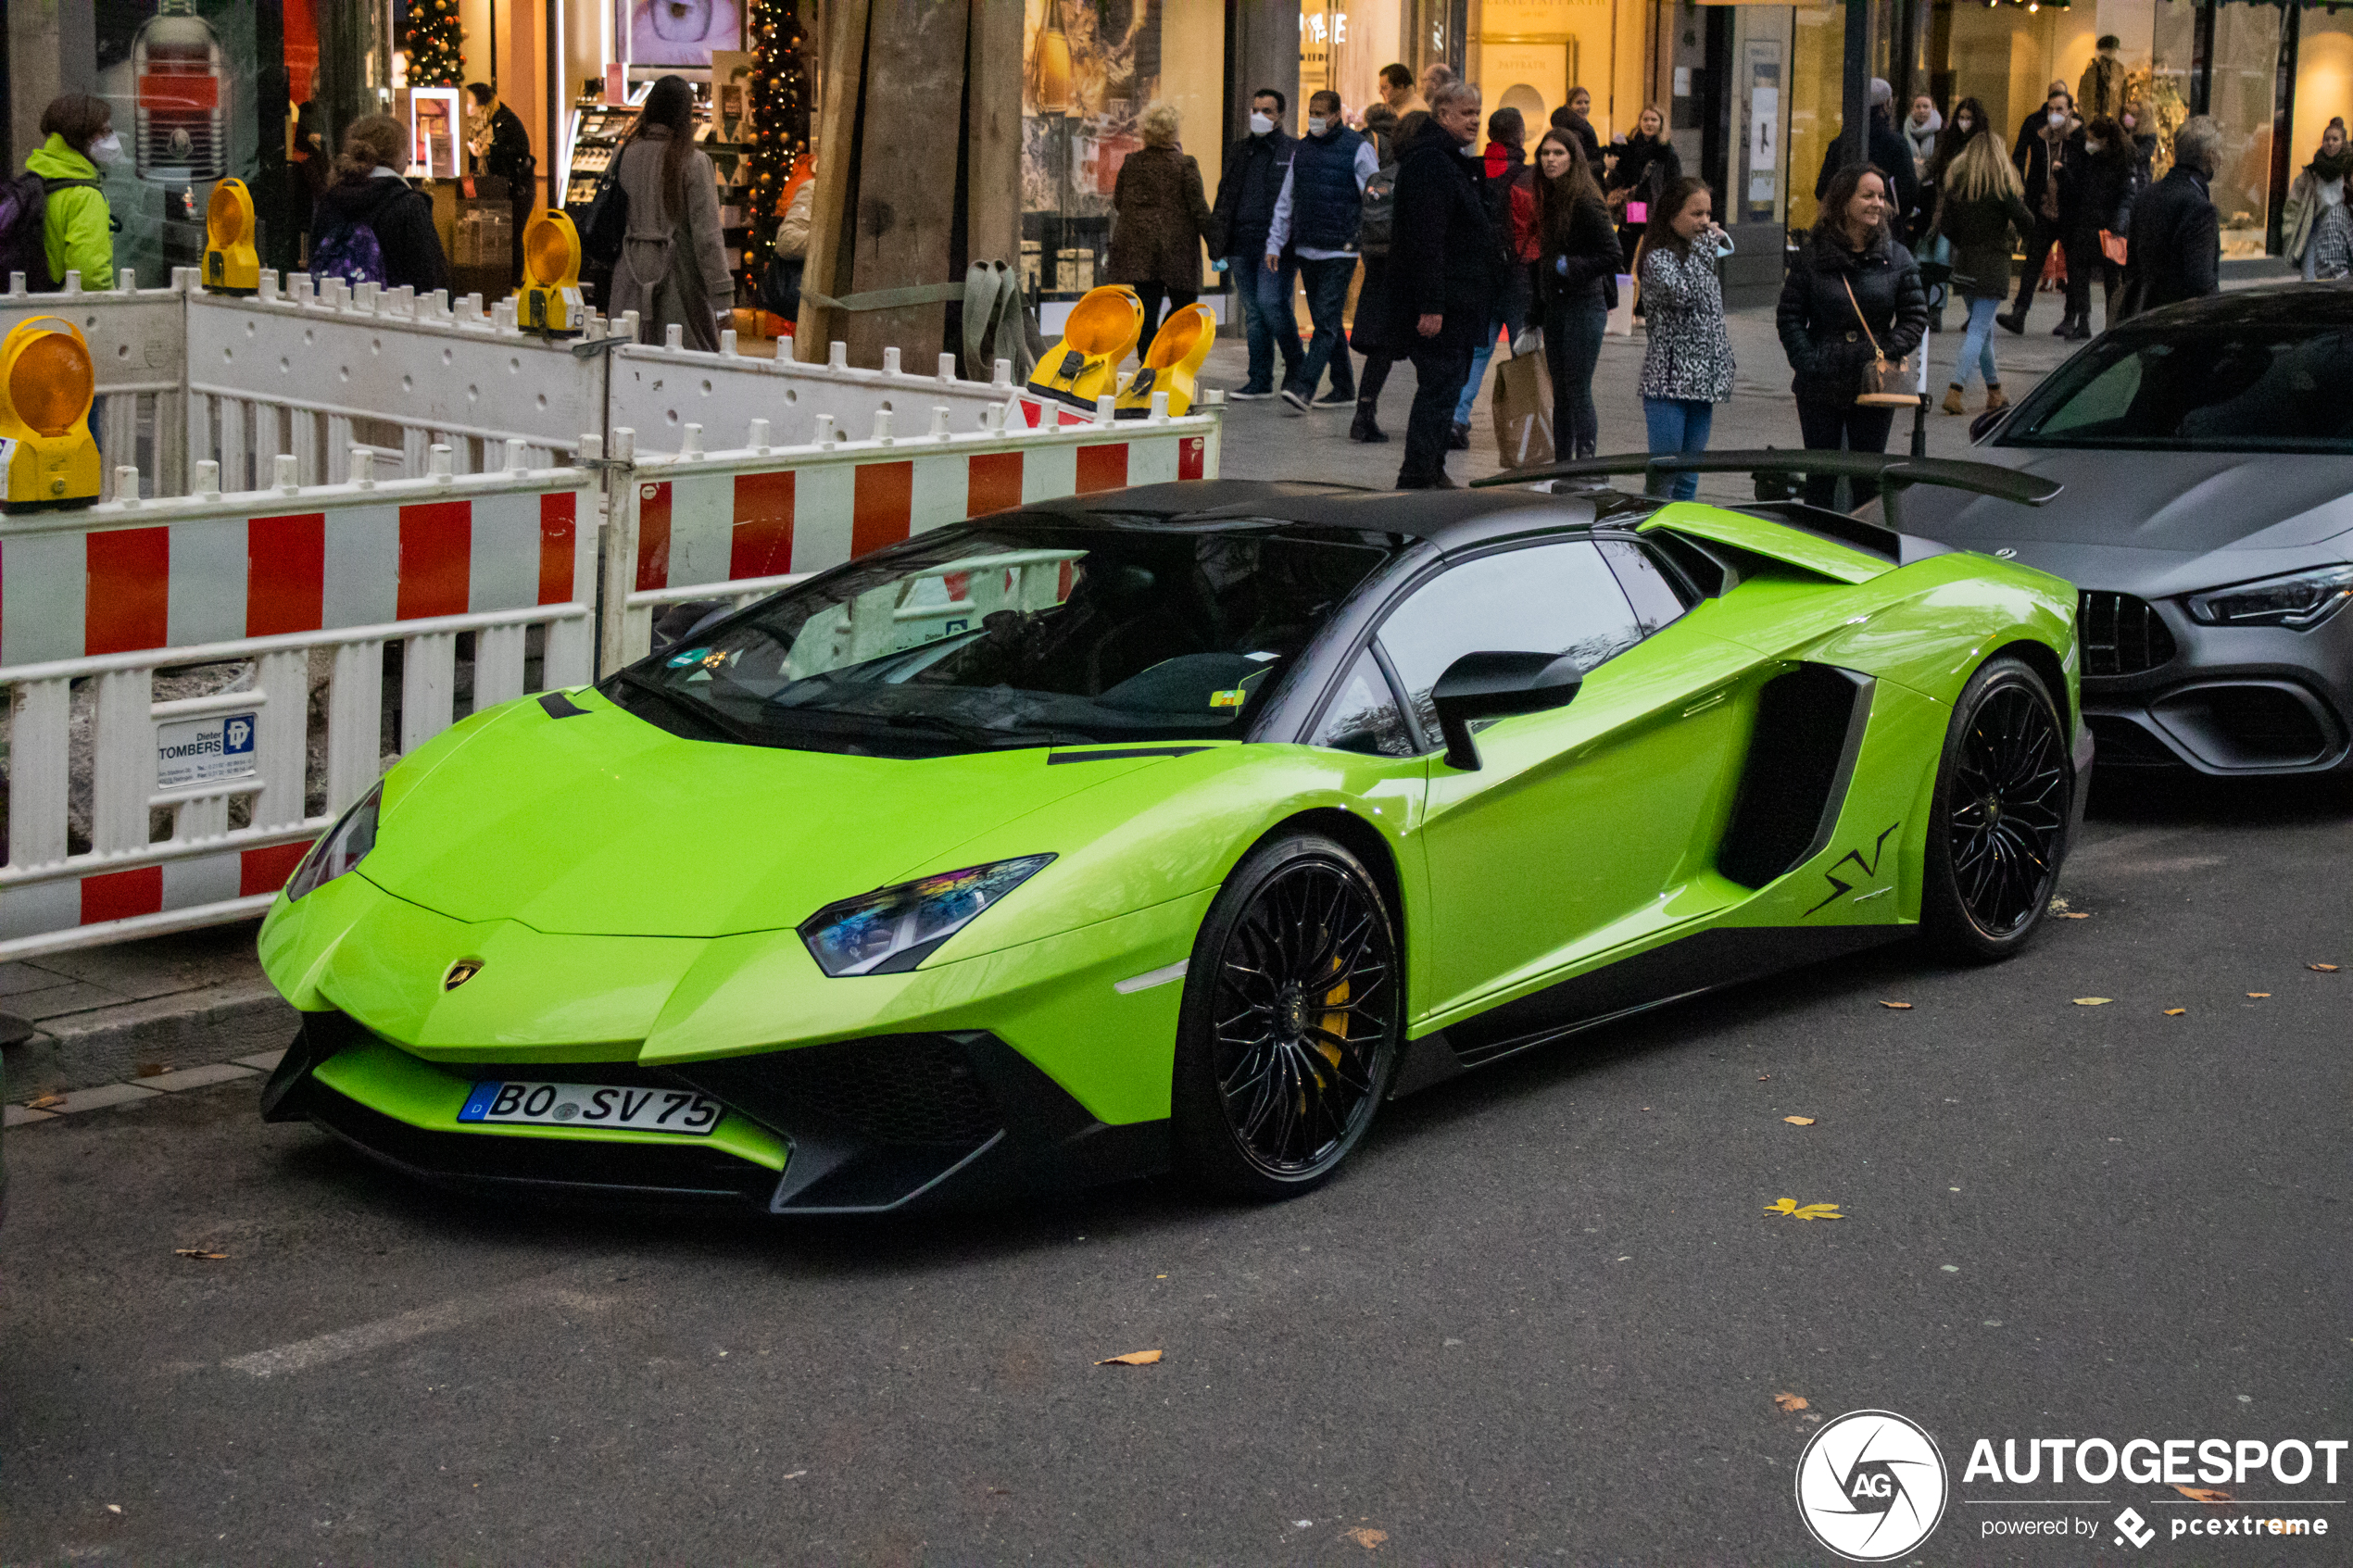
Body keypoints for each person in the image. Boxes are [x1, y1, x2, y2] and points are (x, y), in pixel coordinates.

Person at [1777, 164, 1927, 510]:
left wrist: (1883, 351)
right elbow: (1790, 317)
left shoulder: (1897, 257)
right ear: (1844, 202)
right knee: (1821, 478)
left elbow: (1915, 317)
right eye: (1868, 195)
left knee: (1868, 479)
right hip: (1820, 382)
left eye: (1881, 196)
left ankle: (1867, 550)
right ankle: (1815, 548)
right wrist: (1808, 360)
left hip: (1874, 381)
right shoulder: (1812, 256)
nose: (1877, 203)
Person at [1389, 82, 1494, 489]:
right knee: (1438, 388)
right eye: (1466, 112)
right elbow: (1425, 239)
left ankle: (1431, 468)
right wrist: (1431, 304)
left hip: (1459, 301)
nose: (1475, 119)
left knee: (1447, 388)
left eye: (1477, 111)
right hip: (1444, 304)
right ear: (1443, 114)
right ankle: (1417, 473)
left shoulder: (1450, 160)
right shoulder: (1432, 163)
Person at [1265, 90, 1377, 410]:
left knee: (1325, 322)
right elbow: (1286, 201)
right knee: (1325, 319)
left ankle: (1304, 386)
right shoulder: (1303, 150)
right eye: (1311, 111)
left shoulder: (1358, 149)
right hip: (1308, 247)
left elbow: (1373, 195)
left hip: (1341, 249)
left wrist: (1366, 238)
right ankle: (1343, 386)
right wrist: (1275, 242)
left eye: (1320, 112)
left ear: (1335, 115)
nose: (1314, 118)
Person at [609, 74, 734, 350]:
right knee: (682, 366)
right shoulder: (694, 162)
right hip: (678, 282)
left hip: (627, 277)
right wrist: (723, 301)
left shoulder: (623, 155)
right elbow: (708, 239)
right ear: (684, 115)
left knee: (627, 358)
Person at [1636, 178, 1735, 501]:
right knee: (1665, 473)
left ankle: (1681, 531)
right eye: (1696, 214)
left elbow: (1729, 249)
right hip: (1668, 382)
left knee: (1690, 474)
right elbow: (1684, 295)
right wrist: (1705, 249)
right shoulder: (1658, 259)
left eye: (1708, 214)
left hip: (1703, 379)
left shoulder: (1701, 255)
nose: (1704, 222)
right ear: (1671, 215)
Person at [1929, 125, 2033, 415]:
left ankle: (1994, 391)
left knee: (1983, 331)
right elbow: (2028, 221)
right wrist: (2011, 236)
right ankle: (1955, 388)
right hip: (1993, 267)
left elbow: (1946, 228)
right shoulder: (2002, 190)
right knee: (1978, 330)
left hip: (1965, 265)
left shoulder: (1958, 189)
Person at [1532, 125, 1622, 461]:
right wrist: (1536, 308)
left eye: (1558, 153)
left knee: (1577, 388)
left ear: (1573, 158)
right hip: (1556, 304)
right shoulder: (1552, 195)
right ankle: (1562, 464)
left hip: (1585, 304)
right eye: (1545, 153)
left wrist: (1569, 266)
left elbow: (1613, 255)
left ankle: (1585, 463)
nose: (1550, 160)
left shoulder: (1585, 197)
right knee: (1562, 393)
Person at [1447, 106, 1536, 446]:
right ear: (1520, 135)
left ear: (1489, 135)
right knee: (1524, 354)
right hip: (1518, 278)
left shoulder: (1471, 170)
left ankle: (1457, 418)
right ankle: (1526, 428)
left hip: (1480, 277)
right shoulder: (1527, 177)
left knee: (1478, 349)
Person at [1211, 88, 1300, 399]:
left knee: (1271, 304)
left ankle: (1296, 367)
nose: (1260, 117)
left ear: (1281, 115)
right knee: (1253, 312)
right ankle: (1260, 378)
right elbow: (1225, 196)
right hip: (1241, 243)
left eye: (1268, 111)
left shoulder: (1292, 150)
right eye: (1255, 110)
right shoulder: (1239, 150)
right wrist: (1218, 241)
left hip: (1275, 246)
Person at [1108, 99, 1215, 353]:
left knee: (1147, 305)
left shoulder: (1132, 163)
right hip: (1177, 249)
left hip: (1141, 249)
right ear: (1174, 132)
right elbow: (1199, 208)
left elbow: (1119, 201)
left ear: (1146, 131)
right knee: (1185, 304)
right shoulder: (1185, 164)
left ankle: (1147, 358)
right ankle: (1162, 348)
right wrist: (1217, 245)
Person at [1349, 107, 1429, 445]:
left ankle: (1363, 413)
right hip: (1412, 276)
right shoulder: (1422, 176)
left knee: (1381, 351)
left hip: (1380, 273)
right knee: (1430, 352)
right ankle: (1434, 418)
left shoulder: (1380, 177)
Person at [312, 115, 451, 295]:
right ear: (399, 153)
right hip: (393, 318)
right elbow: (432, 280)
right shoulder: (408, 206)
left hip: (338, 315)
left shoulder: (331, 199)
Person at [1996, 88, 2082, 334]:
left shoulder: (2078, 136)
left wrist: (2064, 174)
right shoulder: (2040, 134)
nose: (2054, 114)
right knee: (2033, 260)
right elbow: (2025, 158)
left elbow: (2082, 174)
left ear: (2069, 111)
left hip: (2068, 209)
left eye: (2059, 109)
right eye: (2050, 109)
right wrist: (2026, 190)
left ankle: (2070, 317)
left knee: (2073, 266)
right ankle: (2019, 313)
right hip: (2043, 207)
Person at [2122, 114, 2222, 315]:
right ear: (2210, 156)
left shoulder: (2147, 196)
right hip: (2180, 321)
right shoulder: (2200, 208)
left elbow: (2131, 267)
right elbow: (2201, 281)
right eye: (2220, 152)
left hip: (2143, 314)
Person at [20, 94, 118, 292]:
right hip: (67, 315)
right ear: (83, 135)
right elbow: (90, 277)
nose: (113, 140)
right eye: (105, 132)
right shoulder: (85, 195)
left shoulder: (39, 179)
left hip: (30, 308)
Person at [1814, 80, 1920, 238]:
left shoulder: (1839, 144)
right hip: (1884, 231)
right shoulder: (1897, 145)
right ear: (1886, 105)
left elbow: (1822, 190)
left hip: (1842, 231)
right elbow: (1909, 192)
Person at [464, 82, 536, 282]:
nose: (466, 107)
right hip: (493, 189)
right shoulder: (474, 124)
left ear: (482, 104)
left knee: (511, 235)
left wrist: (489, 150)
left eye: (469, 102)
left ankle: (513, 283)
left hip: (517, 189)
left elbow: (519, 152)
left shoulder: (506, 121)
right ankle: (496, 283)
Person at [2070, 116, 2135, 332]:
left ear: (2105, 140)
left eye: (2092, 139)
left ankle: (2112, 323)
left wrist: (2118, 224)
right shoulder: (2089, 159)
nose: (2088, 143)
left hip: (2110, 228)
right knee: (2080, 271)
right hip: (2087, 224)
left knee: (2112, 279)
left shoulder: (2122, 162)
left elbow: (2126, 197)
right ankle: (2084, 319)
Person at [1607, 105, 1681, 259]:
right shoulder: (1630, 148)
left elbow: (1674, 186)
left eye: (1654, 120)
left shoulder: (1667, 153)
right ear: (1640, 122)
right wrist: (1615, 153)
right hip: (1635, 205)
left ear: (1661, 123)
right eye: (1645, 119)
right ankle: (1625, 283)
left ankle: (1642, 283)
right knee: (1627, 252)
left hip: (1656, 209)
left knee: (1650, 255)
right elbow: (1615, 179)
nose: (1649, 123)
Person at [2284, 119, 2353, 282]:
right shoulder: (2312, 172)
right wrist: (2290, 229)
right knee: (2309, 279)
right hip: (2315, 230)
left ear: (2343, 142)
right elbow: (2293, 203)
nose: (2330, 143)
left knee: (2338, 279)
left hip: (2341, 232)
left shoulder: (2348, 170)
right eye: (2326, 139)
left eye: (2335, 139)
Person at [1551, 87, 1604, 183]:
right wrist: (1603, 164)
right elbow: (1575, 167)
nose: (1584, 106)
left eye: (1586, 102)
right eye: (1579, 103)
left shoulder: (1584, 128)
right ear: (1569, 105)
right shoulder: (1573, 133)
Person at [2079, 36, 2127, 126]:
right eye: (2109, 49)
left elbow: (2123, 94)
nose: (2112, 52)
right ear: (2102, 50)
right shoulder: (2093, 69)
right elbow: (2084, 95)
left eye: (2113, 50)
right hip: (2095, 116)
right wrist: (2087, 116)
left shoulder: (2119, 69)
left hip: (2114, 118)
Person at [1904, 95, 1943, 177]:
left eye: (1926, 107)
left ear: (1933, 109)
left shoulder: (1940, 133)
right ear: (1912, 110)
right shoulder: (1905, 130)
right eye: (1917, 107)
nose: (1921, 110)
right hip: (1909, 178)